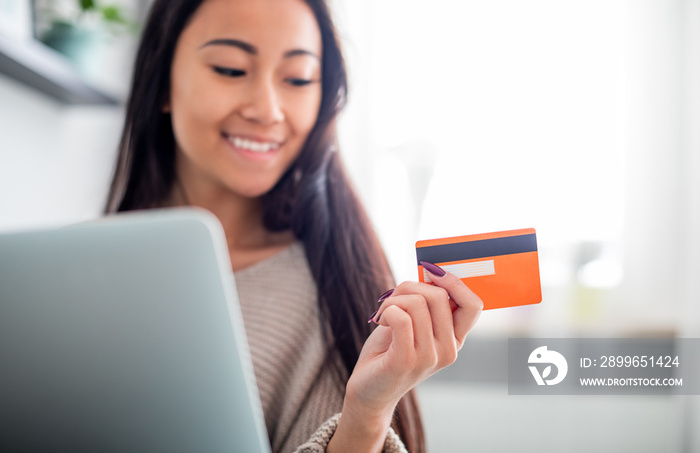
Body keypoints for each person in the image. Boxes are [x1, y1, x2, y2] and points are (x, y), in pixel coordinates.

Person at [105, 0, 483, 451]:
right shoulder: (71, 271)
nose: (268, 110)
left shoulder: (329, 291)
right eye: (230, 69)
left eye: (298, 79)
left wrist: (367, 415)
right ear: (162, 81)